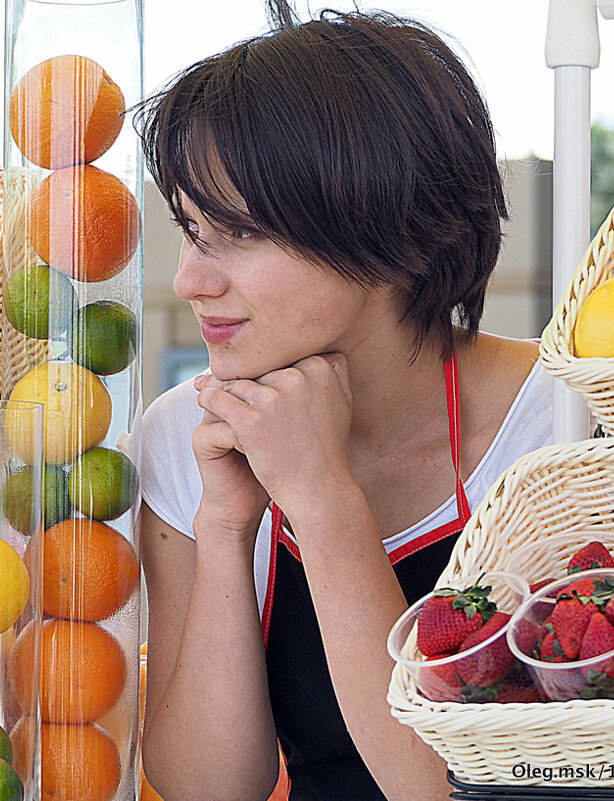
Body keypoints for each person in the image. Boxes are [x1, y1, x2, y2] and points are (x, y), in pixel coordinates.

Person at [132, 4, 554, 800]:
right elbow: (208, 787)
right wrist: (226, 526)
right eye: (191, 229)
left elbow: (453, 787)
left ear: (387, 224)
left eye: (240, 233)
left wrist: (323, 499)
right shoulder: (186, 435)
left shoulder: (561, 426)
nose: (191, 279)